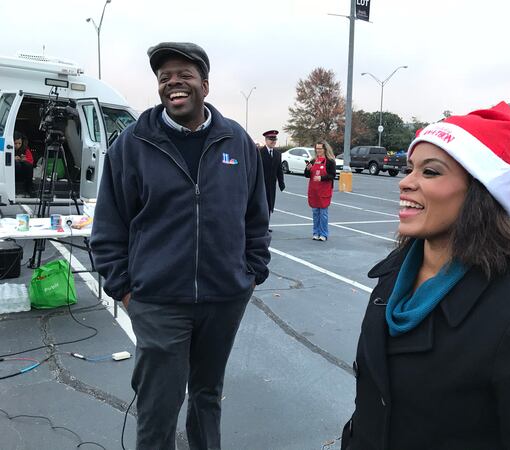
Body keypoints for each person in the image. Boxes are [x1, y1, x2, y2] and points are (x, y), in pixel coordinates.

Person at [341, 109, 510, 450]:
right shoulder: (392, 277)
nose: (405, 181)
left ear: (480, 192)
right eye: (409, 168)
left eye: (429, 171)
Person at [90, 42, 271, 450]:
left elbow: (256, 214)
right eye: (164, 77)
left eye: (184, 75)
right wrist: (123, 286)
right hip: (157, 299)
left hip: (224, 296)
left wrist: (253, 271)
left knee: (207, 395)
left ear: (204, 85)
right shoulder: (132, 145)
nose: (174, 83)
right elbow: (109, 225)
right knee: (159, 404)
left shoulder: (236, 142)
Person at [304, 141, 336, 241]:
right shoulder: (313, 160)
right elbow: (307, 175)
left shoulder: (330, 161)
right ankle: (316, 232)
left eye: (320, 149)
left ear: (325, 149)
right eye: (317, 149)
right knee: (315, 213)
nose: (318, 151)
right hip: (314, 190)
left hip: (324, 191)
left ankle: (323, 234)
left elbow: (332, 175)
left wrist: (321, 178)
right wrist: (308, 169)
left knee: (323, 214)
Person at [258, 129, 285, 231]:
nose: (273, 141)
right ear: (266, 140)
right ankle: (259, 225)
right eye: (271, 139)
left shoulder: (278, 154)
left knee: (269, 204)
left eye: (275, 139)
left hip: (271, 184)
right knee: (260, 205)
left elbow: (279, 169)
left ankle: (266, 225)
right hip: (260, 184)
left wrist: (281, 183)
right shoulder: (259, 152)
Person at [14, 131, 34, 196]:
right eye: (15, 143)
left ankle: (29, 189)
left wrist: (24, 160)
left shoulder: (25, 150)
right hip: (11, 174)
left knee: (28, 165)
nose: (17, 145)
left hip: (22, 174)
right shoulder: (7, 148)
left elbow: (31, 161)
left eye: (19, 143)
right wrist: (13, 158)